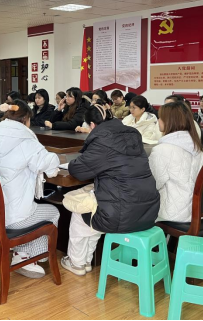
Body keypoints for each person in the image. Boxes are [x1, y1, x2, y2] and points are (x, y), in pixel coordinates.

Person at [62, 103, 160, 276]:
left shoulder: (103, 139)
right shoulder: (133, 134)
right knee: (97, 203)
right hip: (148, 210)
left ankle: (77, 263)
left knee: (82, 210)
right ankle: (86, 261)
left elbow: (78, 170)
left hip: (121, 215)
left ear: (92, 125)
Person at [0, 101, 60, 279]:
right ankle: (26, 257)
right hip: (11, 219)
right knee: (53, 212)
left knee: (29, 208)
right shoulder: (26, 141)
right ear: (26, 119)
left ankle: (19, 249)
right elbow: (48, 164)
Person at [149, 102, 203, 223]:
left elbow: (152, 185)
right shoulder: (199, 148)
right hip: (200, 211)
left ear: (169, 121)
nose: (158, 121)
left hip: (171, 213)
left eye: (160, 118)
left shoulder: (162, 150)